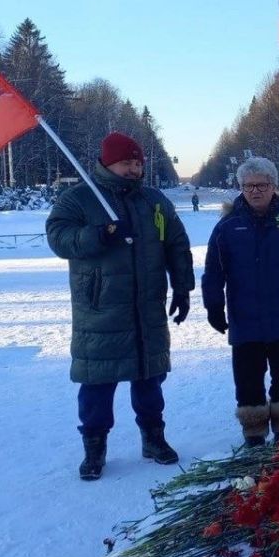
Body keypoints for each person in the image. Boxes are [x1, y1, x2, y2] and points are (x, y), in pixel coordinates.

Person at [46, 131, 194, 480]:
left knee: (149, 377)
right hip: (100, 309)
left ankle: (154, 438)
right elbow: (57, 236)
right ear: (107, 162)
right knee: (97, 382)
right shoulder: (79, 198)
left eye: (138, 162)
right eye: (127, 162)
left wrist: (183, 287)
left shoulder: (154, 200)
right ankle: (94, 449)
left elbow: (176, 243)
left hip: (147, 306)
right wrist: (98, 235)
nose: (134, 168)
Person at [202, 156, 279, 446]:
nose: (255, 191)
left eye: (261, 185)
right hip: (246, 319)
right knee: (248, 381)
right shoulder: (228, 226)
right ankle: (254, 436)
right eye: (248, 185)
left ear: (273, 186)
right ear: (240, 187)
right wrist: (213, 305)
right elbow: (213, 270)